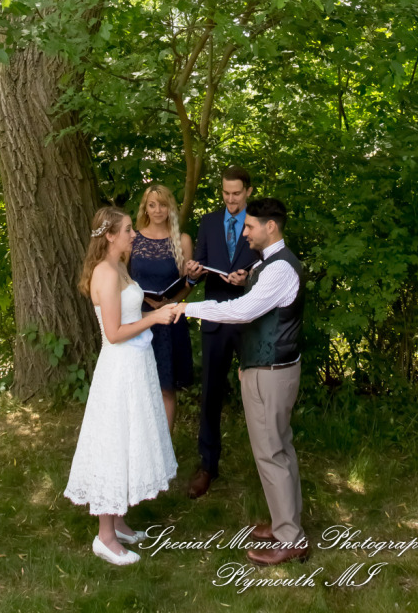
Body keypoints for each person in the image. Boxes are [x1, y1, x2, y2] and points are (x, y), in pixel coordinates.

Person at [176, 197, 308, 566]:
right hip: (267, 368)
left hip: (271, 373)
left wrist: (188, 308)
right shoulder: (270, 265)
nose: (244, 231)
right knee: (280, 448)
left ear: (271, 227)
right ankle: (287, 522)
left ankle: (290, 538)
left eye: (250, 226)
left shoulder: (280, 269)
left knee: (271, 452)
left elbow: (243, 311)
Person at [64, 206, 178, 567]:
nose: (134, 235)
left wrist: (159, 313)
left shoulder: (119, 268)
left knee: (130, 438)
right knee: (114, 441)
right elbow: (113, 334)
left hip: (136, 363)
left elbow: (129, 317)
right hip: (119, 367)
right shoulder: (106, 272)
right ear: (110, 236)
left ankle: (120, 521)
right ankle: (105, 536)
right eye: (128, 230)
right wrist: (156, 318)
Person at [183, 166, 259, 498]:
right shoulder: (209, 222)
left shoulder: (260, 224)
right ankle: (207, 465)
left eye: (237, 194)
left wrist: (249, 280)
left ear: (249, 192)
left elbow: (273, 268)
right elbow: (197, 267)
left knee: (257, 393)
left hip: (249, 321)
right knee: (211, 394)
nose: (230, 199)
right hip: (215, 320)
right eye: (226, 193)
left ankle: (265, 465)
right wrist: (193, 271)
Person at [129, 184, 194, 432]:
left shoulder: (182, 240)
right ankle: (140, 441)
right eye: (152, 204)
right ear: (145, 207)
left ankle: (165, 447)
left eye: (163, 205)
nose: (157, 210)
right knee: (140, 384)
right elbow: (122, 279)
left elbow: (188, 284)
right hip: (139, 317)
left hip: (169, 318)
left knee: (166, 386)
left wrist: (170, 300)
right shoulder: (133, 238)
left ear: (170, 208)